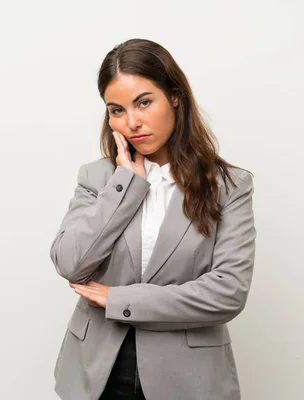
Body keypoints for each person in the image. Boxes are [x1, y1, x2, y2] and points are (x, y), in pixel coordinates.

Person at [50, 38, 256, 400]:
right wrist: (126, 183)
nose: (132, 122)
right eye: (117, 110)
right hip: (97, 373)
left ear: (174, 97)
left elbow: (228, 292)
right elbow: (71, 263)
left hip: (187, 378)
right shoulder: (96, 178)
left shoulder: (229, 186)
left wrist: (118, 299)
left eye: (144, 102)